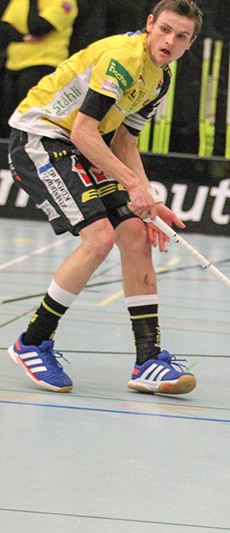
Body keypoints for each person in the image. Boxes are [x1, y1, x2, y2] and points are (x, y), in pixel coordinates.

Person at [5, 0, 203, 394]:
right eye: (164, 29)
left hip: (83, 145)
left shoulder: (160, 78)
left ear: (190, 43)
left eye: (181, 36)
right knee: (99, 238)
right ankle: (32, 343)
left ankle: (147, 361)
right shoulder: (123, 58)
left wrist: (149, 200)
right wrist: (133, 185)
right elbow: (83, 131)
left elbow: (124, 141)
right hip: (42, 137)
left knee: (136, 235)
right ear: (150, 24)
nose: (169, 41)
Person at [0, 0, 78, 137]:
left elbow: (36, 27)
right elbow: (4, 28)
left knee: (28, 120)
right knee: (7, 120)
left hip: (43, 64)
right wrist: (23, 37)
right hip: (14, 65)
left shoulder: (65, 2)